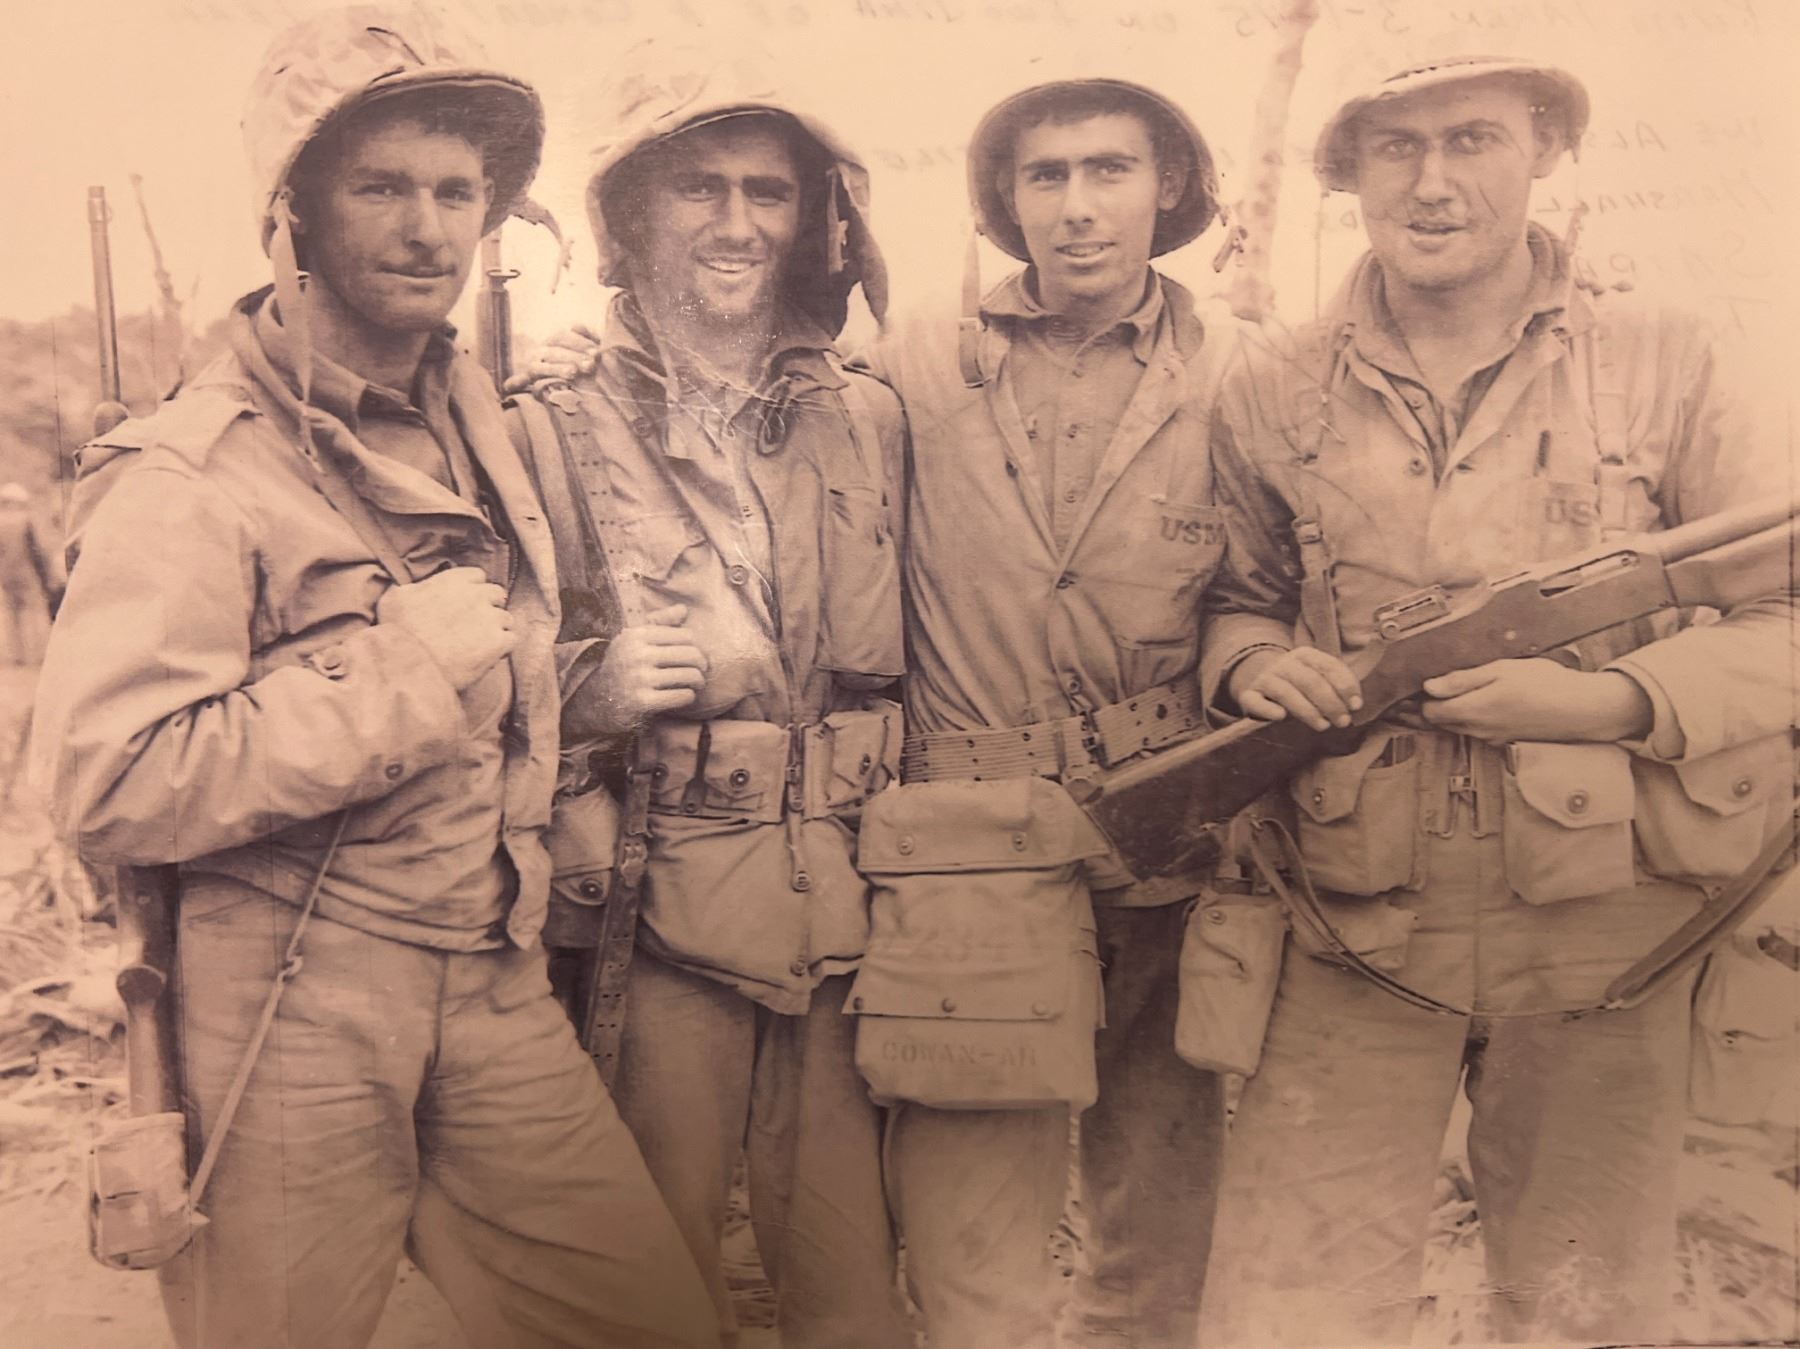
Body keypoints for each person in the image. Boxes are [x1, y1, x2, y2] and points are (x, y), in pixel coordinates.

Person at [29, 10, 717, 1348]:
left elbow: (504, 673)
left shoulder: (479, 419)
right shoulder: (193, 470)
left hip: (492, 972)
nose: (427, 229)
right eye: (381, 188)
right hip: (289, 1006)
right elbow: (107, 781)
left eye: (457, 192)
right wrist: (397, 671)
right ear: (292, 211)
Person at [1197, 55, 1797, 1345]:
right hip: (1352, 908)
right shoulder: (1272, 381)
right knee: (1295, 1301)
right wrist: (1252, 665)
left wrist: (1612, 701)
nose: (1432, 183)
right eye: (1395, 147)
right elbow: (1238, 596)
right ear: (1349, 173)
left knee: (1585, 1300)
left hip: (1604, 915)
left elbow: (1784, 620)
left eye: (1471, 139)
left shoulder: (1668, 356)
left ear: (1545, 150)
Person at [515, 48, 914, 1349]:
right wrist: (590, 686)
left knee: (852, 1288)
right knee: (650, 1284)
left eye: (768, 191)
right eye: (700, 188)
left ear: (813, 217)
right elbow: (468, 672)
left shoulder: (868, 417)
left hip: (846, 903)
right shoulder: (547, 424)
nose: (738, 222)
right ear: (631, 214)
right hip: (654, 901)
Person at [853, 78, 1236, 1349]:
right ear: (1006, 200)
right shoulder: (910, 359)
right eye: (1046, 175)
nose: (1078, 207)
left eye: (1110, 170)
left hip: (1168, 830)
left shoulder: (1243, 367)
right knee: (972, 1208)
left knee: (1161, 1185)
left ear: (1167, 186)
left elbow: (1271, 590)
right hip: (972, 840)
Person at [0, 481, 59, 665]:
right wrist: (48, 575)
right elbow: (39, 551)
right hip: (27, 573)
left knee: (12, 614)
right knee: (33, 613)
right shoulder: (26, 521)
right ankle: (38, 654)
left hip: (6, 575)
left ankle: (17, 655)